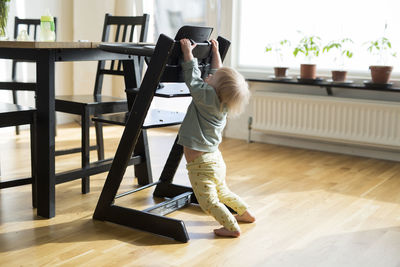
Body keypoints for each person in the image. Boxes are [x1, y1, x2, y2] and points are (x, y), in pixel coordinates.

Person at [178, 38, 256, 238]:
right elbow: (219, 74)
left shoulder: (205, 96)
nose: (210, 76)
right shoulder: (224, 103)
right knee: (223, 192)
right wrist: (215, 51)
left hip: (201, 165)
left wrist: (189, 53)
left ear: (216, 87)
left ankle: (231, 227)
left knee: (209, 202)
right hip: (215, 160)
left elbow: (192, 78)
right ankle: (245, 213)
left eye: (213, 78)